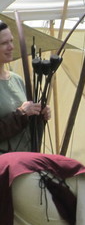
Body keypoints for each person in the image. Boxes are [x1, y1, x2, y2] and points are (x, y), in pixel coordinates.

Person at [0, 21, 51, 153]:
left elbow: (27, 128)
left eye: (11, 41)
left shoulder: (16, 80)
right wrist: (21, 114)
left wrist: (39, 115)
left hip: (24, 158)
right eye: (4, 43)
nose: (11, 47)